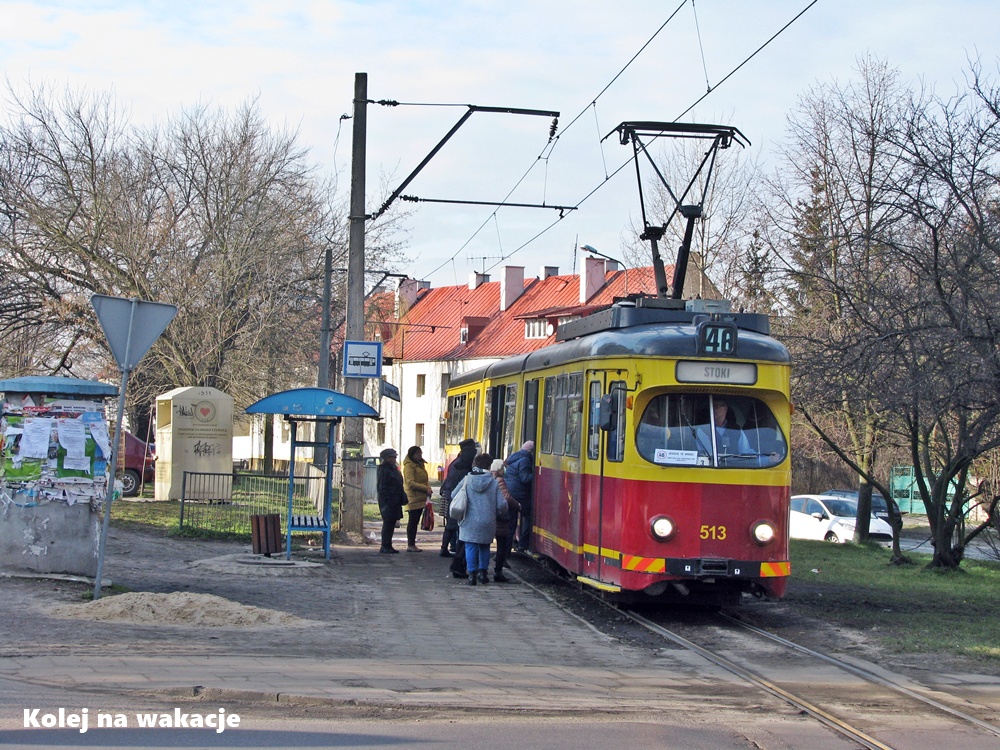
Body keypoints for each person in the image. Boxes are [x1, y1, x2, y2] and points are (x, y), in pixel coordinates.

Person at [456, 453, 507, 585]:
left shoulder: (467, 480)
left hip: (469, 519)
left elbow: (453, 494)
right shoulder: (494, 482)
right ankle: (483, 574)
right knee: (484, 546)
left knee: (470, 546)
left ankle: (472, 575)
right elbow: (502, 504)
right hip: (488, 520)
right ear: (489, 466)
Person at [439, 437, 477, 563]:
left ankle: (446, 548)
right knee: (456, 524)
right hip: (456, 496)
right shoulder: (463, 465)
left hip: (451, 494)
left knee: (451, 524)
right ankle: (454, 550)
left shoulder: (457, 462)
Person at [490, 458, 520, 583]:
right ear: (499, 469)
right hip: (501, 518)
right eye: (503, 467)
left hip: (490, 516)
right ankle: (498, 571)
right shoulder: (499, 480)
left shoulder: (489, 479)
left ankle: (478, 571)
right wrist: (517, 505)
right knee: (502, 544)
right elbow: (506, 498)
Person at [504, 440, 534, 553]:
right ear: (530, 451)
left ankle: (505, 552)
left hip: (510, 492)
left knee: (511, 522)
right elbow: (525, 478)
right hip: (519, 494)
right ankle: (523, 543)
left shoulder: (514, 457)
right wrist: (535, 474)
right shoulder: (525, 460)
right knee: (530, 516)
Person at [375, 447, 406, 554]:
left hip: (395, 499)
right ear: (386, 458)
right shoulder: (384, 470)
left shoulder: (393, 468)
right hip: (388, 501)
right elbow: (382, 487)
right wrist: (388, 499)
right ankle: (385, 545)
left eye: (394, 457)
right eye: (392, 457)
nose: (394, 459)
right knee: (388, 523)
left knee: (392, 523)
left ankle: (388, 545)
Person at [401, 445, 432, 552]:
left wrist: (428, 488)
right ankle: (410, 544)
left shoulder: (420, 465)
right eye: (417, 453)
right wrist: (425, 489)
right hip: (413, 497)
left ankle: (412, 544)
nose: (420, 455)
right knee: (413, 521)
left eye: (420, 453)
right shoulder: (409, 466)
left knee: (415, 520)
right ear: (412, 455)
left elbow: (424, 480)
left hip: (420, 496)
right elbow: (410, 483)